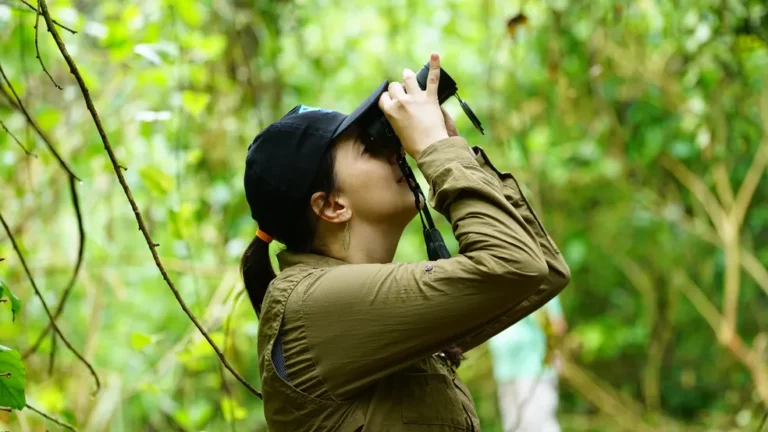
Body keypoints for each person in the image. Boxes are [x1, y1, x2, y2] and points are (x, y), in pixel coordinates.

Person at [240, 53, 570, 431]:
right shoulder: (314, 308)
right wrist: (436, 151)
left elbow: (543, 270)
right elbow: (515, 265)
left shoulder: (358, 311)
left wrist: (453, 148)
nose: (395, 152)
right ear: (332, 205)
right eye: (370, 148)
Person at [489, 295, 568, 432]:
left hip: (533, 368)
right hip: (505, 369)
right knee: (513, 425)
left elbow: (557, 325)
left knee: (538, 423)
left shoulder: (539, 286)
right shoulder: (497, 288)